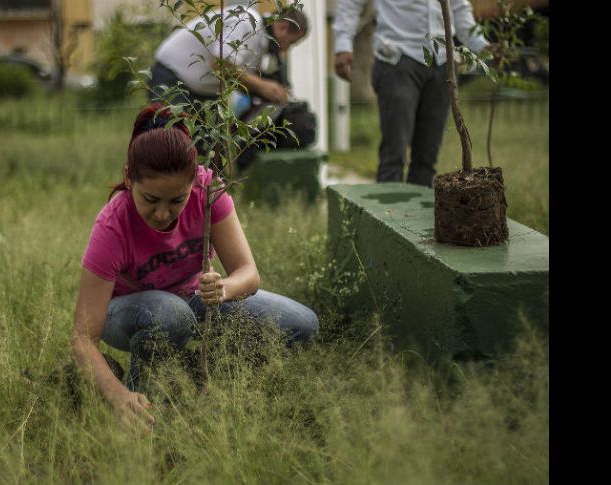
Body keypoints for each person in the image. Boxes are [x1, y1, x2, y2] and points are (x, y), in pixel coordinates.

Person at [71, 103, 319, 428]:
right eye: (150, 200)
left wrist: (223, 288)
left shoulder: (209, 191)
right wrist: (117, 395)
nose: (163, 214)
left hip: (196, 301)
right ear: (129, 178)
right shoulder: (112, 226)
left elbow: (248, 274)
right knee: (170, 314)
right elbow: (82, 337)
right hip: (129, 315)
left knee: (303, 325)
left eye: (177, 200)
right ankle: (141, 406)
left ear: (194, 181)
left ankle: (197, 377)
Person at [333, 0, 490, 187]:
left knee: (427, 158)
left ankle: (417, 214)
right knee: (394, 156)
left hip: (442, 63)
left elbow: (459, 7)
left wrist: (482, 47)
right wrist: (342, 45)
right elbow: (351, 2)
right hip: (398, 59)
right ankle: (387, 215)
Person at [148, 4, 308, 108]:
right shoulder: (247, 21)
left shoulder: (261, 44)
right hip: (171, 80)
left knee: (208, 154)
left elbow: (235, 79)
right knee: (170, 147)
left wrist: (266, 89)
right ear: (283, 27)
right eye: (291, 43)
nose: (286, 50)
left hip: (203, 94)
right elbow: (221, 64)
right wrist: (263, 86)